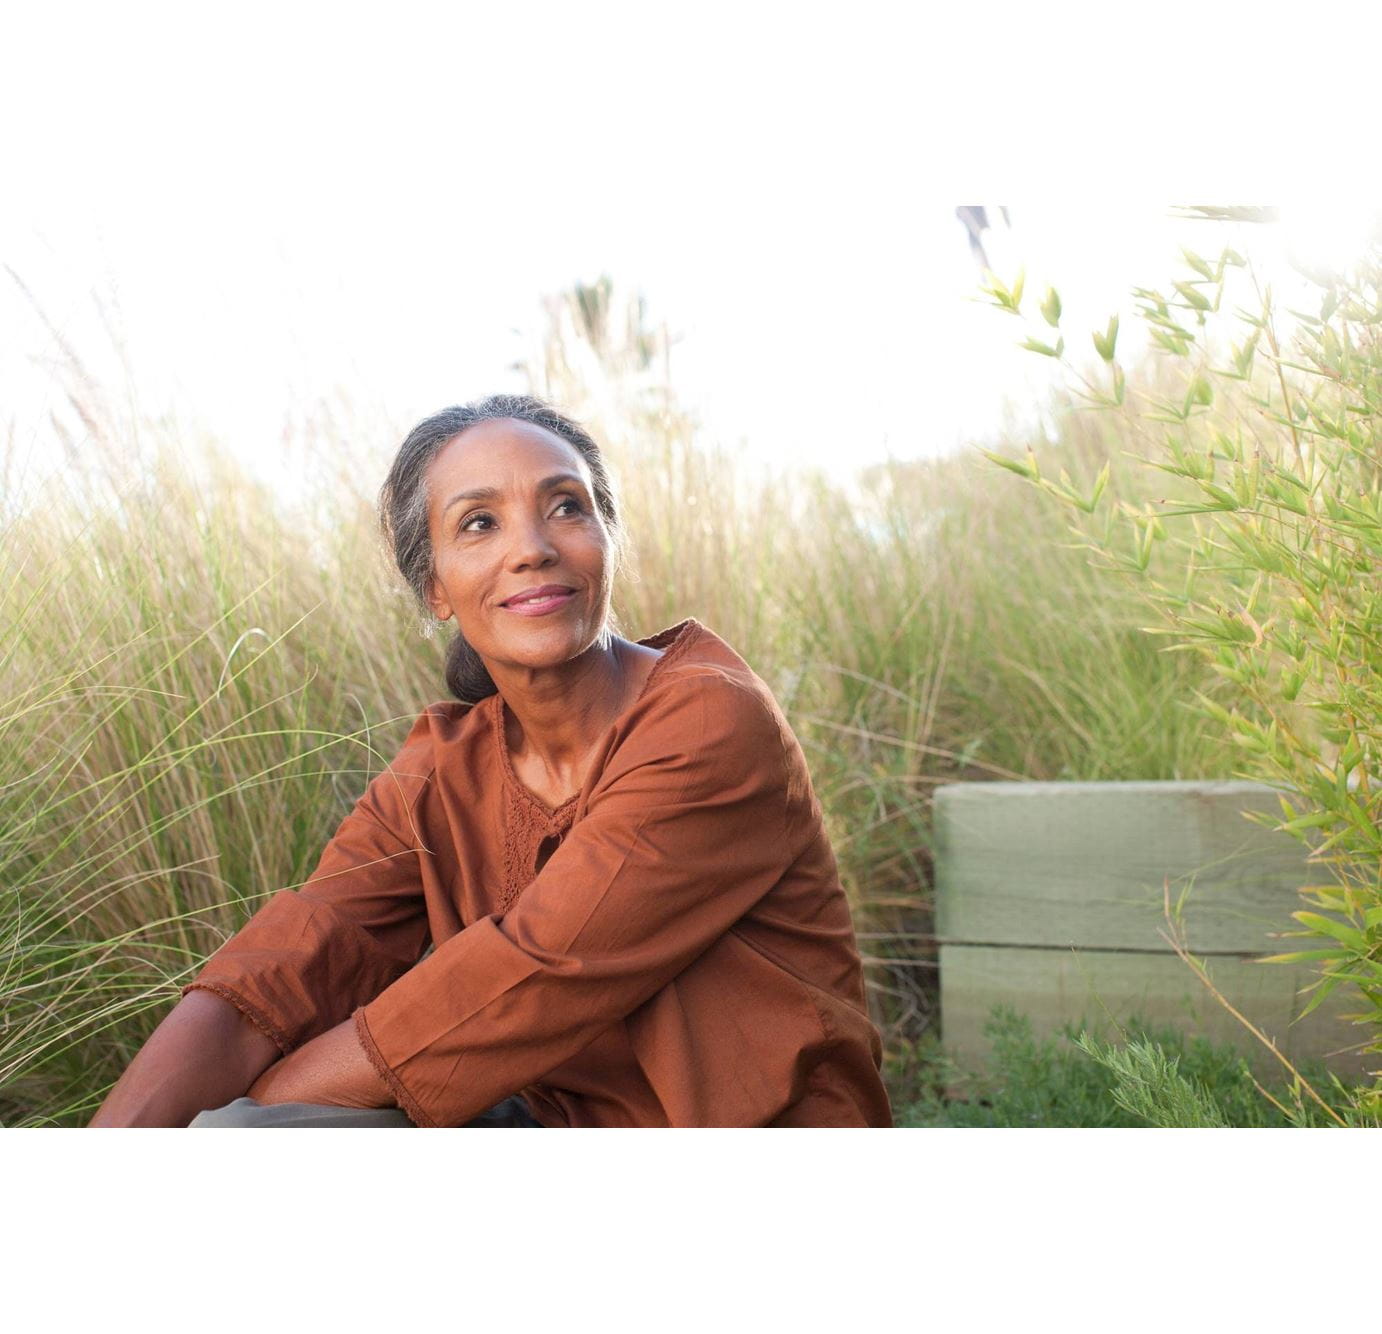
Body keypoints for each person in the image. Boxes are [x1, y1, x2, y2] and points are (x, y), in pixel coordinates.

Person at [90, 395, 893, 1128]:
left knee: (256, 1134)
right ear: (435, 587)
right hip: (554, 1125)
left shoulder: (707, 718)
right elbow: (297, 956)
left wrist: (246, 1116)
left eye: (565, 507)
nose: (532, 548)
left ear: (606, 542)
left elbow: (535, 973)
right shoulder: (444, 768)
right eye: (480, 523)